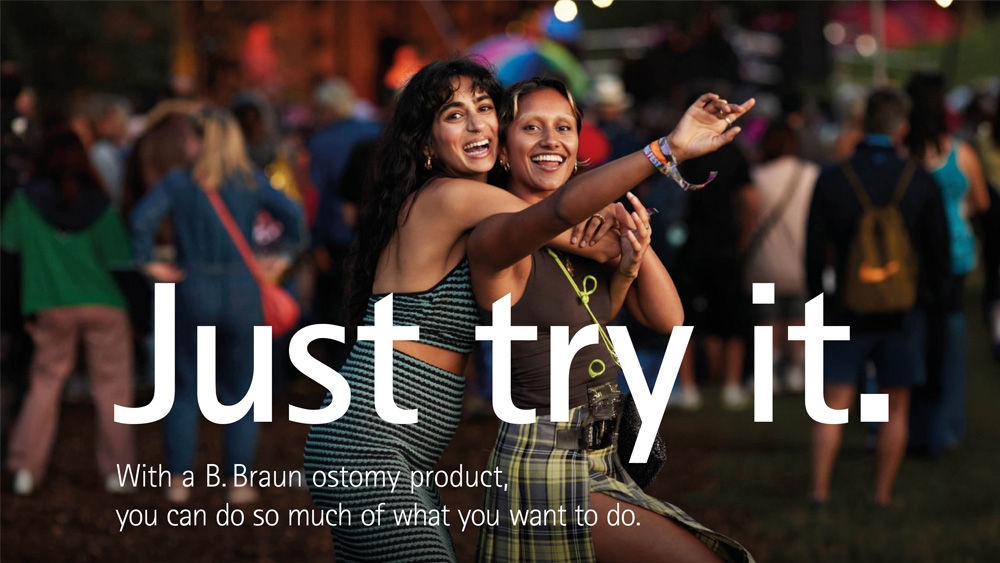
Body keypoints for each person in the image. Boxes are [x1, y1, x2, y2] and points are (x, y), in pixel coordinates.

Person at [302, 58, 751, 562]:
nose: (476, 124)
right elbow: (567, 221)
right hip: (370, 445)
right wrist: (664, 152)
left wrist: (620, 250)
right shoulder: (452, 199)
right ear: (425, 145)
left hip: (394, 447)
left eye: (485, 108)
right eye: (454, 115)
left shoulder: (482, 209)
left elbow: (602, 271)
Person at [471, 78, 753, 563]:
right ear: (501, 148)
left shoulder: (589, 234)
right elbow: (555, 210)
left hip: (602, 455)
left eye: (563, 127)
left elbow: (669, 318)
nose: (549, 140)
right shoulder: (495, 236)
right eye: (530, 127)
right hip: (546, 463)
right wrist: (668, 150)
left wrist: (630, 250)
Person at [129, 109, 305, 504]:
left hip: (192, 288)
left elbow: (141, 220)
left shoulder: (179, 183)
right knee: (242, 391)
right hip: (244, 292)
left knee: (184, 390)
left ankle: (179, 481)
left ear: (202, 141)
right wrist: (282, 257)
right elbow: (294, 217)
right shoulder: (250, 181)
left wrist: (149, 262)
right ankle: (239, 482)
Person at [805, 88, 951, 508]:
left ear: (862, 123)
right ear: (902, 127)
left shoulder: (833, 179)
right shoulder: (920, 182)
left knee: (833, 404)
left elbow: (814, 251)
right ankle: (882, 494)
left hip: (846, 307)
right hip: (903, 309)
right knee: (895, 407)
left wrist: (819, 301)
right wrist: (934, 304)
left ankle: (818, 491)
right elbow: (937, 252)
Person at [3, 127, 136, 495]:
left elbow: (9, 260)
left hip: (49, 306)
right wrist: (142, 317)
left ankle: (25, 468)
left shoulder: (22, 203)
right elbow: (121, 265)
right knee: (112, 390)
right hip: (105, 305)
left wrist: (18, 314)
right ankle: (117, 473)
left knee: (44, 386)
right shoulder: (100, 205)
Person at [903, 73, 991, 457]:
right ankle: (947, 425)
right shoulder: (961, 154)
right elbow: (983, 202)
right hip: (955, 256)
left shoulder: (904, 157)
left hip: (911, 258)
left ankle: (910, 424)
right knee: (951, 340)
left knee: (913, 339)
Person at [745, 120, 821, 393]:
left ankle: (767, 372)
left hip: (764, 263)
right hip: (800, 262)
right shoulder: (811, 175)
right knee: (799, 319)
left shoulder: (757, 177)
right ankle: (796, 370)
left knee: (767, 320)